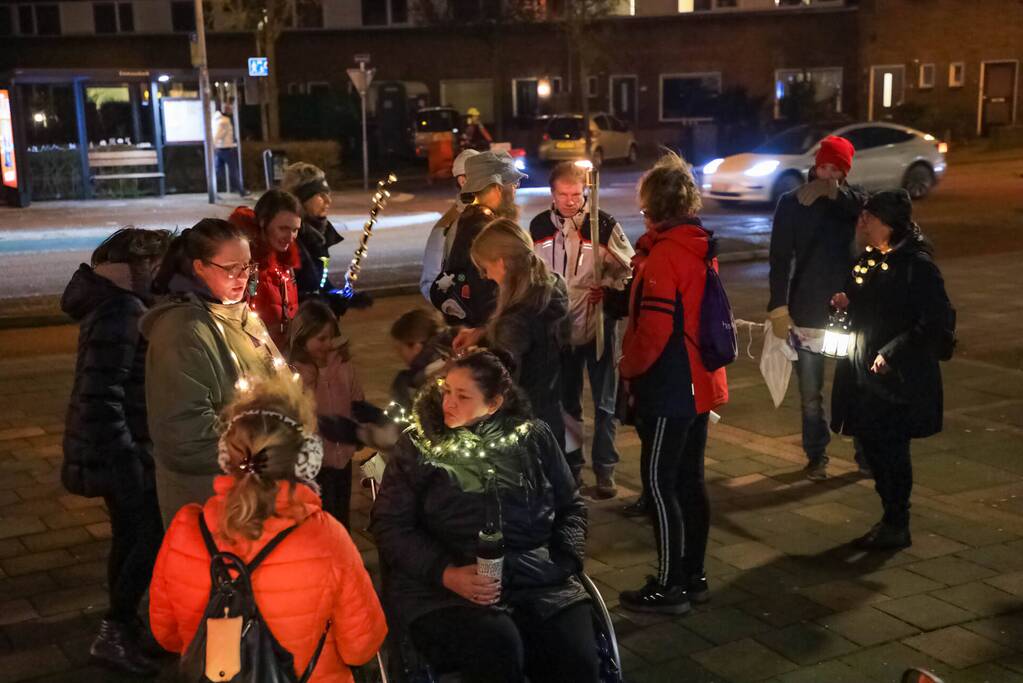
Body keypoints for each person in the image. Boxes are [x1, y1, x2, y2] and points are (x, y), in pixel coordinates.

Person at [371, 349, 599, 683]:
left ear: (494, 403)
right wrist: (446, 573)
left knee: (577, 660)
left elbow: (571, 507)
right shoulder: (419, 446)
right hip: (442, 590)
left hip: (538, 581)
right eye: (446, 390)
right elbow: (389, 524)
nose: (448, 402)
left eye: (462, 396)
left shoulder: (534, 438)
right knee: (498, 647)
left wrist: (563, 560)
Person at [149, 375, 388, 683]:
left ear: (226, 455)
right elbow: (361, 647)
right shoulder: (325, 538)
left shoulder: (186, 529)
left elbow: (166, 634)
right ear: (305, 457)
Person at [618, 153, 728, 614]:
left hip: (670, 385)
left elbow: (655, 331)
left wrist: (626, 369)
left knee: (660, 484)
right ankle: (693, 575)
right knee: (689, 481)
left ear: (655, 207)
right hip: (699, 380)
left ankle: (668, 586)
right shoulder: (697, 245)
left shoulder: (665, 255)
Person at [61, 227, 171, 676]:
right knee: (147, 537)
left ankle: (124, 628)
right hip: (120, 452)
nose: (162, 277)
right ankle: (115, 630)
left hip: (117, 449)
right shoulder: (123, 309)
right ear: (138, 267)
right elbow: (100, 396)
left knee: (131, 538)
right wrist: (129, 460)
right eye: (158, 267)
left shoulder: (116, 303)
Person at [830, 190, 954, 550]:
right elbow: (864, 301)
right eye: (862, 217)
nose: (862, 224)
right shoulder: (871, 258)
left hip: (896, 379)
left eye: (870, 219)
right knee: (871, 444)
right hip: (863, 371)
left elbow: (937, 321)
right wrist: (845, 304)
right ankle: (890, 515)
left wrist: (893, 353)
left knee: (891, 448)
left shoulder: (917, 266)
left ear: (890, 225)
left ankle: (897, 521)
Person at [143, 218, 280, 523]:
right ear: (198, 267)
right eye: (230, 267)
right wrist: (266, 447)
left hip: (255, 497)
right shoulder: (183, 332)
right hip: (211, 506)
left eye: (247, 266)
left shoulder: (242, 316)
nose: (242, 277)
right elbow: (185, 436)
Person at [529, 161, 634, 498]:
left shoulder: (602, 225)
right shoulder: (539, 227)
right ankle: (572, 467)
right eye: (563, 194)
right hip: (560, 330)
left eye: (576, 194)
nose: (570, 201)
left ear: (586, 192)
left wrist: (610, 289)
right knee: (567, 404)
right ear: (552, 194)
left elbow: (630, 269)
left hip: (598, 324)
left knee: (604, 403)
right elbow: (531, 275)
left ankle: (605, 468)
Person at [767, 135, 866, 481]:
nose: (828, 175)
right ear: (815, 165)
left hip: (849, 311)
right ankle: (816, 454)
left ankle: (865, 453)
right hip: (807, 309)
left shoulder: (852, 202)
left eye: (836, 170)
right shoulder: (792, 203)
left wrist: (835, 193)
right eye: (824, 167)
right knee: (811, 392)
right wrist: (778, 305)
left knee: (855, 387)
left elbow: (863, 207)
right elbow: (779, 259)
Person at [459, 218, 569, 451]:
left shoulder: (515, 317)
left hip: (522, 424)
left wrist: (471, 363)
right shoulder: (552, 288)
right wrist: (483, 332)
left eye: (485, 268)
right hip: (552, 411)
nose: (486, 276)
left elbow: (503, 375)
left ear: (501, 263)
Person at [290, 300, 366, 528]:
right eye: (320, 339)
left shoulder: (344, 367)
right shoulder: (297, 374)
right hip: (314, 463)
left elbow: (357, 399)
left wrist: (358, 429)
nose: (328, 344)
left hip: (342, 456)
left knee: (340, 515)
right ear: (302, 340)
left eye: (330, 337)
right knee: (319, 517)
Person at [430, 150, 525, 327]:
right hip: (489, 329)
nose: (515, 190)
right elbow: (492, 292)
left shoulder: (469, 219)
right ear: (498, 187)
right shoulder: (488, 231)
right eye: (513, 184)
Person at [282, 162, 370, 315]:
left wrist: (344, 297)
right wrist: (324, 303)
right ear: (300, 200)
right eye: (320, 195)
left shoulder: (317, 235)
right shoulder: (290, 238)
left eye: (328, 194)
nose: (328, 200)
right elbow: (298, 293)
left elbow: (320, 285)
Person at [229, 189, 303, 349]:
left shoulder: (284, 263)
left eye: (295, 230)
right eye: (283, 228)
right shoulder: (244, 265)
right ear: (263, 222)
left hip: (282, 357)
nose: (290, 237)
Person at [420, 148, 480, 301]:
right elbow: (430, 285)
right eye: (482, 176)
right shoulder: (446, 227)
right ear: (463, 181)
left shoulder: (488, 218)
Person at [389, 307, 454, 409]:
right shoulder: (456, 356)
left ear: (416, 347)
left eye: (400, 349)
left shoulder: (413, 381)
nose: (399, 355)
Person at [213, 97, 247, 197]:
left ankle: (216, 189)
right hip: (227, 148)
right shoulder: (225, 121)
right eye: (229, 107)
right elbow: (220, 134)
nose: (231, 109)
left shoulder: (216, 119)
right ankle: (240, 190)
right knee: (234, 170)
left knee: (219, 170)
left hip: (219, 148)